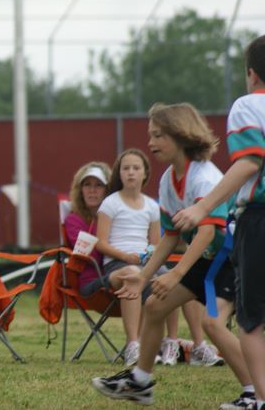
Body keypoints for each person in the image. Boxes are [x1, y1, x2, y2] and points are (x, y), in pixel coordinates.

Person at [92, 102, 252, 408]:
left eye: (158, 135)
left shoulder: (204, 176)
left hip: (231, 258)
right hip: (209, 258)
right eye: (150, 135)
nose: (150, 142)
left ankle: (253, 394)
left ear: (180, 135)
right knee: (155, 306)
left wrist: (176, 273)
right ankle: (140, 383)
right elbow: (171, 235)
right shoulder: (168, 179)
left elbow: (207, 232)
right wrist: (143, 277)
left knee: (212, 324)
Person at [173, 35, 265, 410]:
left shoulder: (248, 105)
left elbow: (250, 160)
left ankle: (260, 398)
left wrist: (203, 207)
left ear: (251, 73)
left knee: (251, 320)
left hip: (259, 219)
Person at [94, 148, 176, 367]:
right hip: (117, 265)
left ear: (145, 173)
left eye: (136, 168)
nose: (131, 172)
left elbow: (155, 244)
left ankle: (172, 343)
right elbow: (100, 242)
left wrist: (149, 256)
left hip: (144, 262)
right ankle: (132, 345)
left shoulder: (152, 206)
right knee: (132, 274)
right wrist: (125, 256)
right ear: (119, 173)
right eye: (126, 168)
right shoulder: (110, 203)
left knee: (171, 278)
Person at [63, 162, 111, 297]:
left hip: (122, 273)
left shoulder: (117, 217)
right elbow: (91, 256)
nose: (92, 190)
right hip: (93, 281)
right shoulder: (74, 220)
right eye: (87, 184)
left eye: (99, 185)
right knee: (131, 277)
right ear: (80, 190)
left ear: (108, 190)